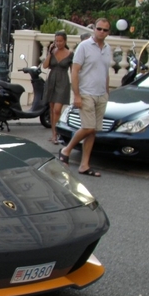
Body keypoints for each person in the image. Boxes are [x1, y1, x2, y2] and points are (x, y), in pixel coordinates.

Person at [58, 18, 113, 177]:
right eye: (99, 29)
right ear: (94, 29)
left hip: (100, 94)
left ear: (108, 32)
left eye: (105, 30)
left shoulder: (107, 48)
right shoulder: (84, 46)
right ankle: (66, 149)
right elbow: (74, 71)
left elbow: (105, 72)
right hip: (86, 92)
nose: (102, 32)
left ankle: (84, 165)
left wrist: (107, 92)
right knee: (88, 127)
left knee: (93, 131)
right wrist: (76, 95)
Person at [42, 31, 73, 144]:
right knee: (51, 108)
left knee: (57, 110)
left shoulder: (70, 54)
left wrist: (75, 85)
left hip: (63, 81)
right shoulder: (53, 52)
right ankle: (53, 134)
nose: (58, 43)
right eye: (57, 41)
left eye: (61, 41)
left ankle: (57, 133)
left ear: (65, 41)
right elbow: (45, 66)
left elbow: (73, 70)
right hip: (52, 80)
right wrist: (50, 52)